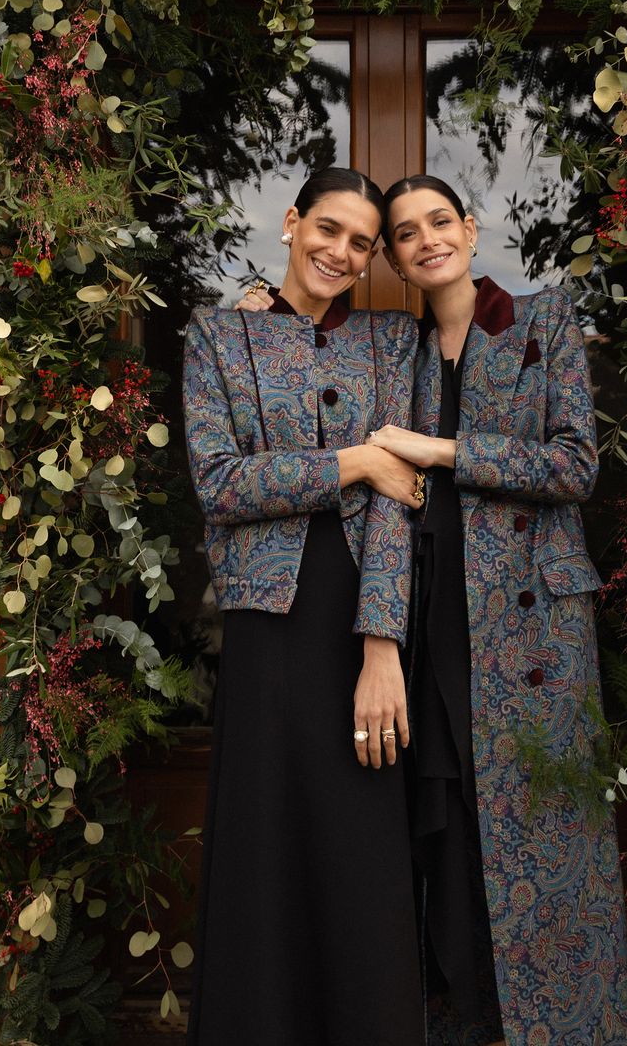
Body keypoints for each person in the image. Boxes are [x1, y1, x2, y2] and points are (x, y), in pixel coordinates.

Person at [369, 175, 627, 1045]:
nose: (426, 241)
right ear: (396, 258)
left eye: (438, 222)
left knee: (549, 839)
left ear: (471, 229)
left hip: (532, 628)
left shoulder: (541, 321)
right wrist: (261, 307)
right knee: (445, 838)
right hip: (434, 616)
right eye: (405, 233)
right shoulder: (393, 352)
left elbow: (574, 468)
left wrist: (441, 449)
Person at [182, 167, 425, 1045]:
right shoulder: (217, 338)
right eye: (329, 230)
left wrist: (382, 647)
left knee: (361, 861)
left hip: (360, 622)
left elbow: (406, 506)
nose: (342, 253)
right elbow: (219, 484)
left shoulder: (393, 344)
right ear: (291, 223)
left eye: (362, 243)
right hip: (264, 627)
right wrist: (355, 463)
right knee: (264, 851)